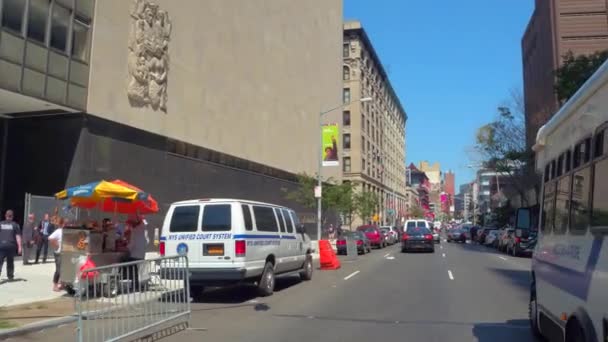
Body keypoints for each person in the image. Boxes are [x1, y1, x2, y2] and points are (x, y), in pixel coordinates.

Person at [0, 210, 22, 281]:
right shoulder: (15, 225)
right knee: (10, 262)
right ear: (12, 216)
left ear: (5, 216)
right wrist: (19, 247)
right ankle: (10, 276)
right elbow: (18, 237)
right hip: (11, 245)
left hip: (2, 245)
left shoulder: (1, 224)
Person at [48, 218, 64, 291]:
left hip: (63, 253)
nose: (66, 225)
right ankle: (55, 286)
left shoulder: (65, 231)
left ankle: (61, 283)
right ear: (61, 224)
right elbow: (50, 238)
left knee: (63, 269)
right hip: (58, 253)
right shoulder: (58, 231)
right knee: (58, 270)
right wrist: (56, 244)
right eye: (64, 223)